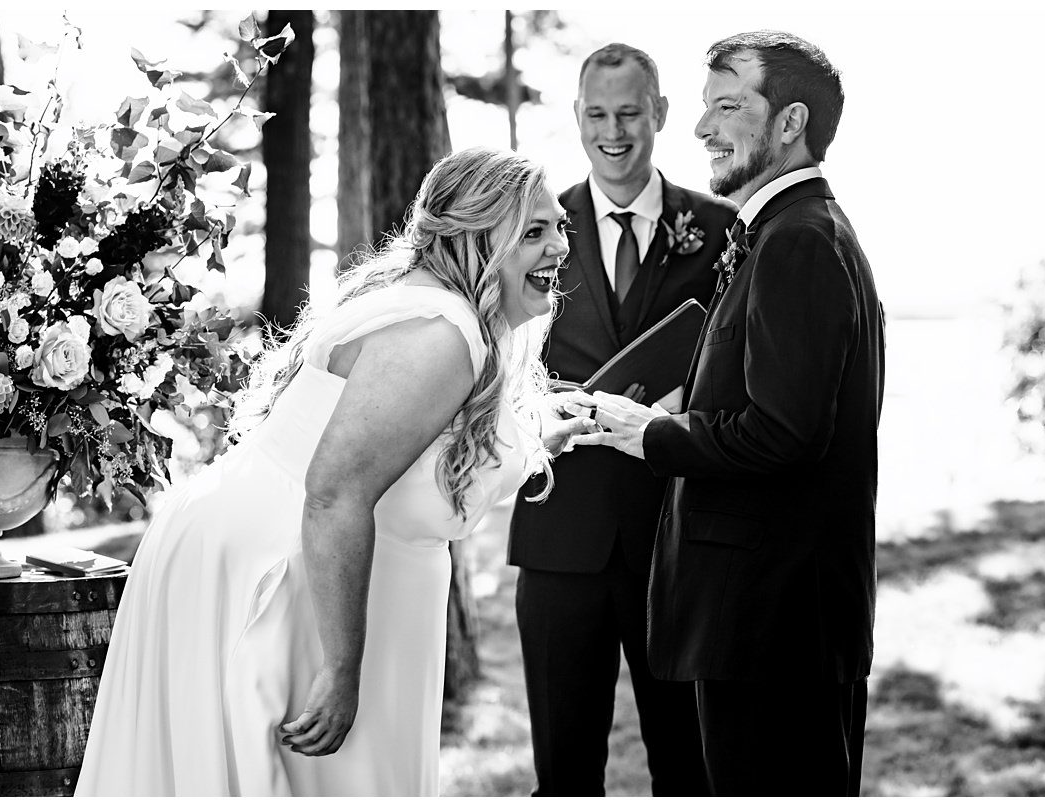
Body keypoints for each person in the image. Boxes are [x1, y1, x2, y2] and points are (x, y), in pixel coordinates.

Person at [75, 147, 594, 796]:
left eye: (559, 227)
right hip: (288, 576)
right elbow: (334, 493)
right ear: (473, 235)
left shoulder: (431, 309)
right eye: (534, 231)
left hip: (302, 560)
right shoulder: (439, 334)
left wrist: (541, 429)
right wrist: (342, 665)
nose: (558, 249)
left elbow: (412, 460)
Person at [568, 31, 885, 796]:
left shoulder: (799, 242)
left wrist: (651, 433)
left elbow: (782, 434)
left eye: (727, 106)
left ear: (788, 123)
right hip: (770, 620)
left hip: (771, 627)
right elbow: (781, 406)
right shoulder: (790, 232)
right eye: (705, 107)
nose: (704, 127)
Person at [507, 43, 734, 796]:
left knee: (688, 768)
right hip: (560, 533)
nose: (614, 131)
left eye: (630, 113)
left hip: (676, 539)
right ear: (576, 117)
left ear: (660, 115)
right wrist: (536, 409)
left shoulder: (722, 227)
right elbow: (496, 360)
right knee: (564, 774)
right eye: (598, 114)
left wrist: (688, 401)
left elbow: (741, 365)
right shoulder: (533, 225)